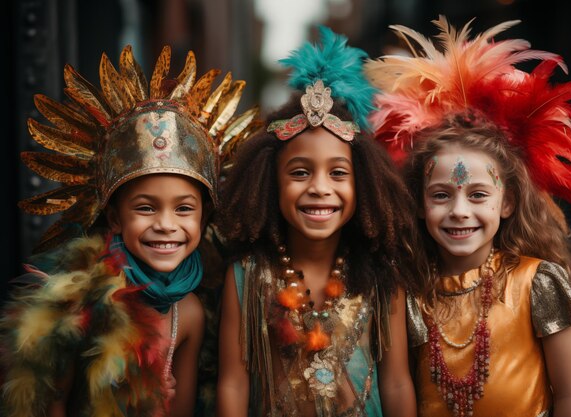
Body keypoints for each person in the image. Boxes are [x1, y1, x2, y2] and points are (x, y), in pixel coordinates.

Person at [0, 45, 258, 417]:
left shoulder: (188, 314)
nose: (166, 224)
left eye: (183, 209)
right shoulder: (79, 303)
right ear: (116, 218)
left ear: (204, 219)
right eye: (145, 208)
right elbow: (47, 404)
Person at [365, 17, 571, 417]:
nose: (459, 211)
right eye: (441, 195)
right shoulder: (411, 293)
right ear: (418, 204)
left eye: (477, 195)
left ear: (507, 203)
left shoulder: (537, 283)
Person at [215, 26, 417, 417]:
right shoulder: (246, 277)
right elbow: (233, 382)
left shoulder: (382, 275)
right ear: (269, 183)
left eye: (338, 174)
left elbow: (395, 381)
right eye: (300, 173)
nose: (320, 188)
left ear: (366, 186)